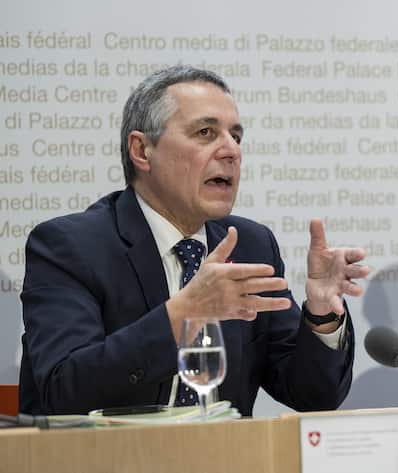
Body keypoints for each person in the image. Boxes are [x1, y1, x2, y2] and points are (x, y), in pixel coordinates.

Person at [19, 65, 369, 416]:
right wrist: (186, 314)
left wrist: (322, 312)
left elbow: (314, 396)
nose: (231, 151)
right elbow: (62, 390)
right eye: (205, 132)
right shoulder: (70, 247)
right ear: (142, 150)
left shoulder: (250, 244)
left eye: (236, 136)